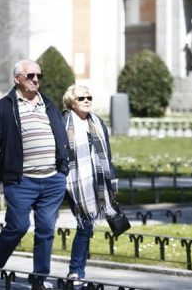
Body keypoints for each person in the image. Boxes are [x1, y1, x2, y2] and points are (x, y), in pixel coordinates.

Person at [0, 59, 70, 290]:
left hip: (52, 180)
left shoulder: (48, 105)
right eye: (30, 76)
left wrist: (63, 169)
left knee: (46, 230)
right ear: (17, 79)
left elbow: (61, 137)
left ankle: (39, 279)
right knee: (18, 226)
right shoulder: (4, 107)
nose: (36, 80)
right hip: (21, 181)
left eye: (39, 76)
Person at [60, 84, 117, 286]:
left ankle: (76, 272)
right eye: (81, 98)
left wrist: (111, 179)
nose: (86, 101)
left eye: (89, 98)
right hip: (71, 180)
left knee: (86, 226)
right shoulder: (63, 122)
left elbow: (107, 153)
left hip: (95, 179)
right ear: (71, 102)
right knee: (76, 224)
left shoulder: (97, 122)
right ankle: (68, 272)